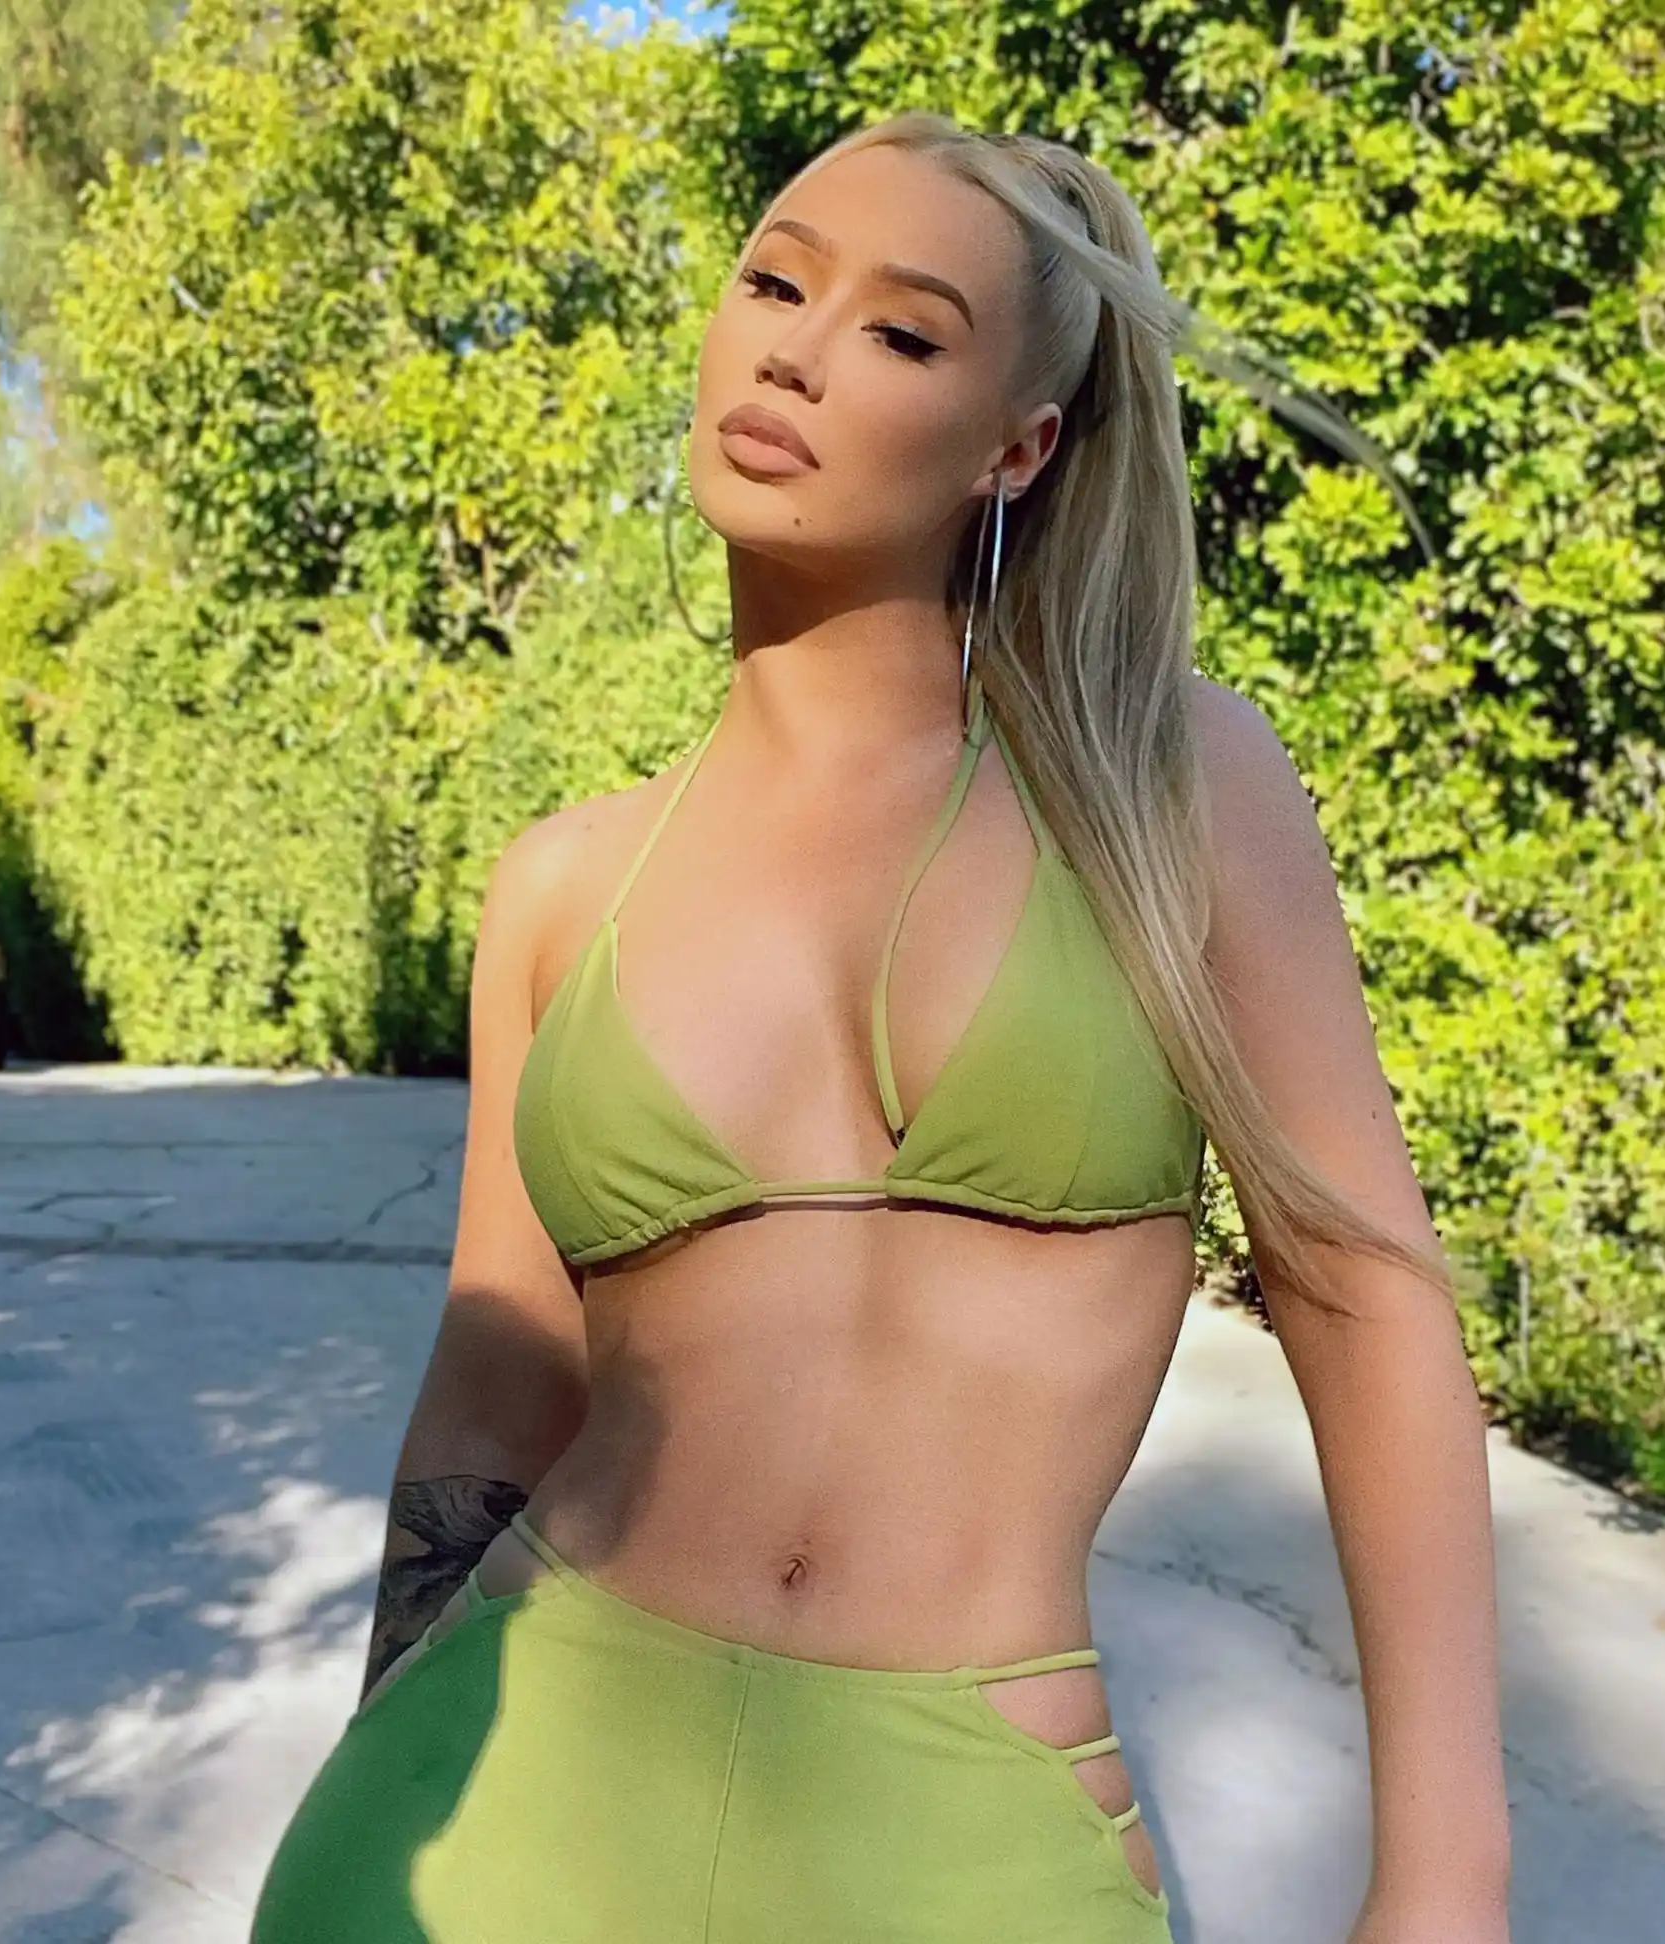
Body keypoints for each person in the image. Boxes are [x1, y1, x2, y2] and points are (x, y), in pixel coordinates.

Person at [251, 111, 1510, 1944]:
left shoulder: (1168, 786)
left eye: (903, 331)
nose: (797, 351)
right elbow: (500, 1379)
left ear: (1016, 445)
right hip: (505, 1794)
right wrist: (395, 1748)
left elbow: (1362, 1294)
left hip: (965, 1825)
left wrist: (1446, 1875)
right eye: (775, 283)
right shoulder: (563, 883)